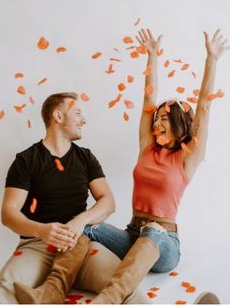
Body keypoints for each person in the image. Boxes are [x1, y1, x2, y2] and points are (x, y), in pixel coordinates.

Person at [13, 28, 228, 304]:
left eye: (165, 119)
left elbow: (203, 112)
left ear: (179, 126)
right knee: (85, 224)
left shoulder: (187, 158)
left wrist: (211, 59)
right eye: (157, 119)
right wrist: (151, 56)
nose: (158, 123)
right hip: (133, 234)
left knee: (155, 230)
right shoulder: (147, 148)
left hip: (164, 243)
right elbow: (148, 101)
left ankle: (108, 300)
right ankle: (50, 291)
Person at [0, 92, 117, 304]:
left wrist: (80, 221)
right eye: (77, 113)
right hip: (37, 245)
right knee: (2, 291)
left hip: (80, 244)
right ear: (58, 117)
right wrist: (42, 230)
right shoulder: (26, 160)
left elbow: (108, 201)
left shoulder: (85, 157)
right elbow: (8, 213)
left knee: (126, 286)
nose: (84, 120)